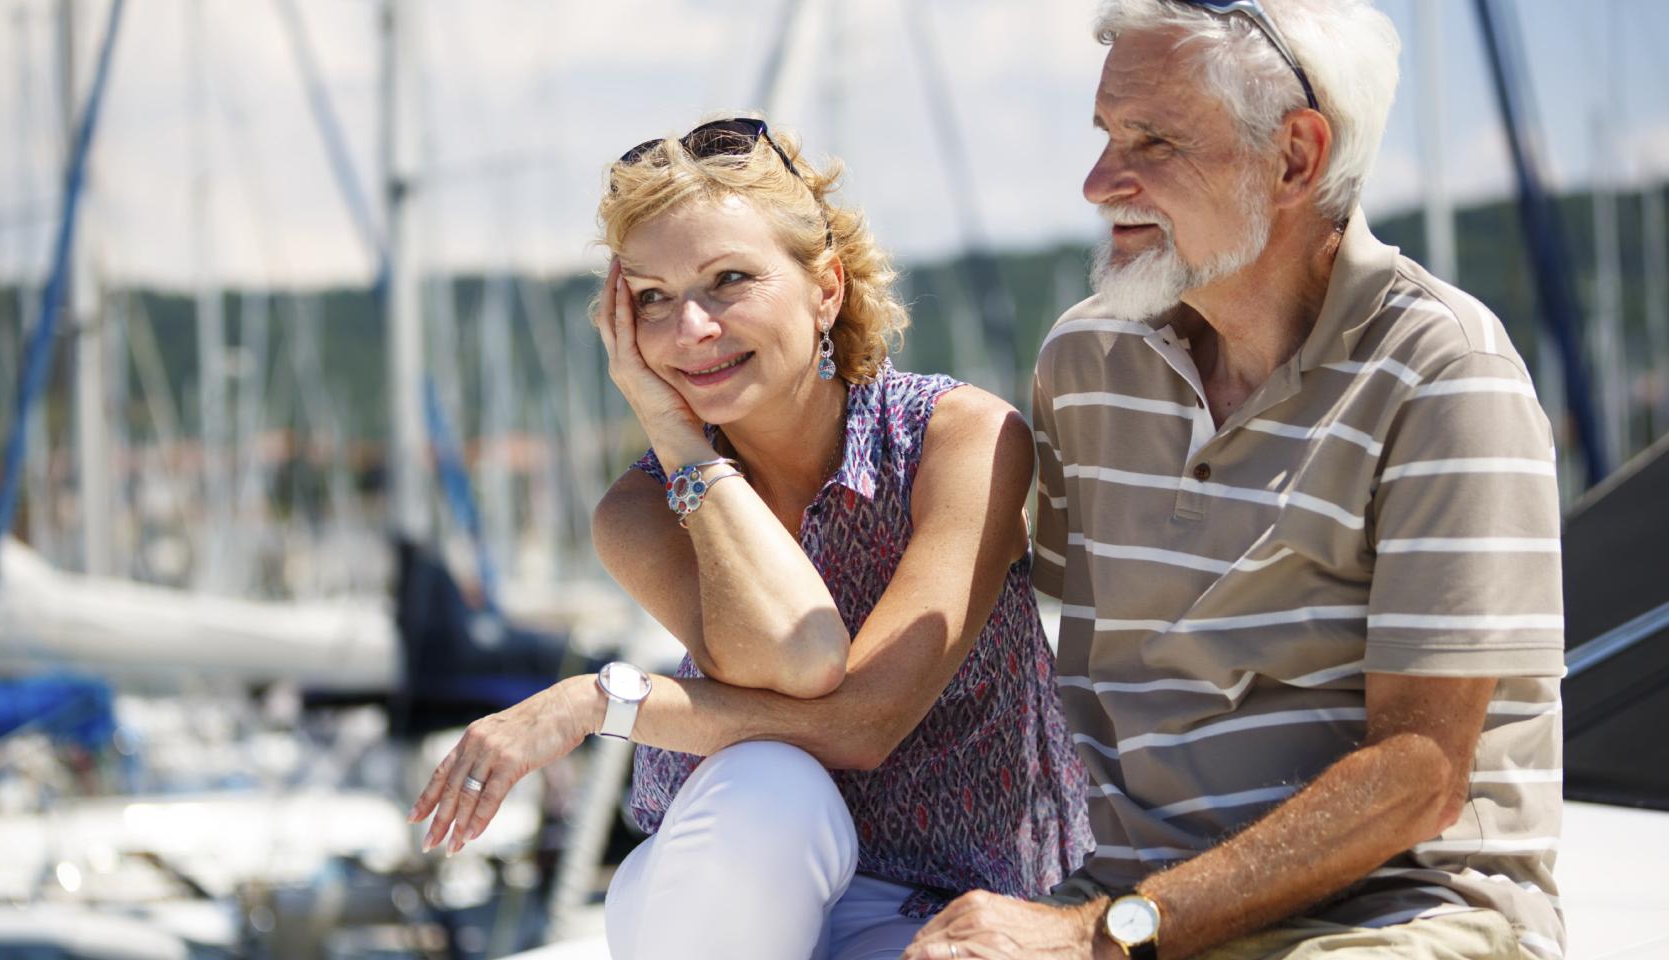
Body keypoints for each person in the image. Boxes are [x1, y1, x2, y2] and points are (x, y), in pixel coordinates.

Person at [905, 1, 1564, 959]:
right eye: (1106, 136)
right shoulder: (1088, 361)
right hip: (1131, 899)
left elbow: (1420, 775)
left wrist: (1103, 934)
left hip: (1398, 913)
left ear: (1296, 156)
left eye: (1154, 141)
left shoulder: (1444, 373)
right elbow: (996, 634)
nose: (1098, 182)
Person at [407, 117, 1089, 959]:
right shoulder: (642, 508)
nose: (690, 329)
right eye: (652, 297)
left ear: (826, 289)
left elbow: (863, 722)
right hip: (720, 883)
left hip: (962, 907)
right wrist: (677, 436)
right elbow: (797, 660)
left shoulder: (960, 441)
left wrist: (597, 701)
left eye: (727, 280)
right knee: (775, 787)